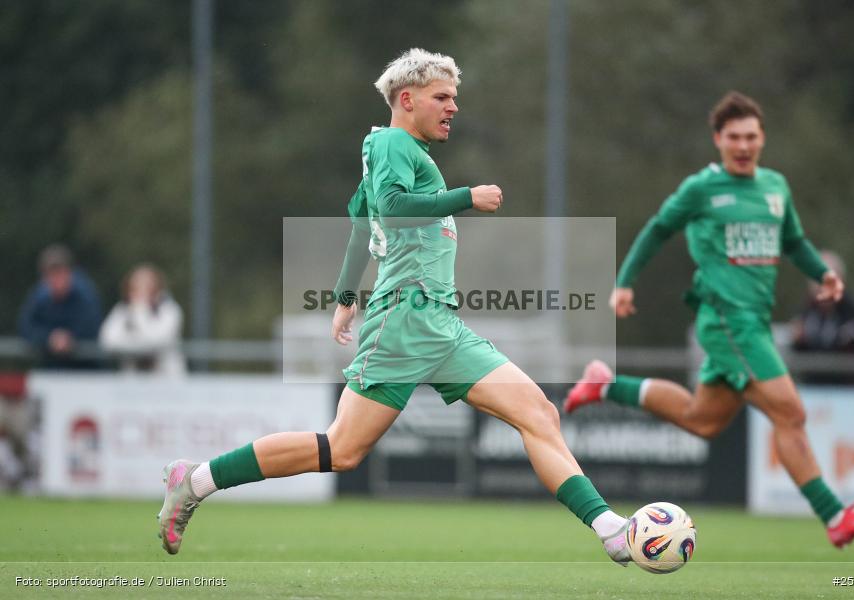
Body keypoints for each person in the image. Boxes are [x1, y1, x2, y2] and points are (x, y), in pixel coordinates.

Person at [158, 48, 635, 563]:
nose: (453, 107)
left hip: (439, 324)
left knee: (538, 412)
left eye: (454, 97)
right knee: (343, 449)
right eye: (442, 97)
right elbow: (390, 208)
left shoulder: (399, 152)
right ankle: (197, 480)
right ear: (407, 100)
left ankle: (610, 529)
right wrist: (465, 197)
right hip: (404, 322)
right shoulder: (392, 143)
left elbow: (363, 224)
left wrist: (345, 297)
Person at [565, 92, 854, 548]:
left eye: (751, 137)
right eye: (734, 137)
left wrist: (823, 274)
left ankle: (606, 385)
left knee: (703, 420)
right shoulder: (701, 188)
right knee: (791, 412)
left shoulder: (775, 187)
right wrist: (624, 282)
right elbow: (658, 228)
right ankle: (835, 515)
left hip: (753, 323)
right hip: (726, 321)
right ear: (718, 139)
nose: (743, 145)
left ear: (762, 139)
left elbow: (794, 241)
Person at [790, 250, 854, 385]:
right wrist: (798, 342)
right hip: (814, 391)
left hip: (851, 391)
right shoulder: (805, 314)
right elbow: (800, 356)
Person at [18, 244, 103, 369]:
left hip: (86, 370)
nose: (56, 280)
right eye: (51, 274)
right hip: (51, 368)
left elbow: (92, 326)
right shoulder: (39, 296)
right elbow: (26, 326)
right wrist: (49, 338)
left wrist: (71, 338)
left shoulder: (86, 294)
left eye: (60, 273)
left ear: (70, 273)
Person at [99, 264, 187, 376]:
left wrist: (140, 311)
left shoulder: (169, 310)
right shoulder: (122, 310)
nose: (140, 292)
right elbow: (108, 341)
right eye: (135, 288)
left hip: (165, 379)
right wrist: (140, 343)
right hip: (132, 380)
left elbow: (159, 340)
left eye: (146, 287)